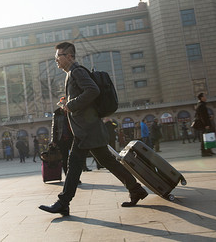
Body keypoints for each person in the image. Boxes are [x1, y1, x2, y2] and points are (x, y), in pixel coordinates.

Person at [39, 42, 148, 216]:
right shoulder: (71, 74)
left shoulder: (77, 71)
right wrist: (68, 104)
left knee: (74, 164)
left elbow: (92, 90)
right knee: (107, 161)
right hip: (87, 129)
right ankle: (136, 190)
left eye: (58, 56)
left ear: (69, 56)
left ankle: (63, 202)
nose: (56, 61)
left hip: (87, 129)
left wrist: (71, 104)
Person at [51, 105, 73, 175]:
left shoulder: (71, 111)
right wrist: (54, 140)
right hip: (62, 139)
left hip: (72, 138)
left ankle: (74, 177)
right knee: (65, 158)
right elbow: (54, 128)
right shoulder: (57, 114)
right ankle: (68, 176)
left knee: (74, 158)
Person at [194, 93, 216, 157]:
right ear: (201, 98)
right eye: (204, 96)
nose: (206, 97)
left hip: (205, 124)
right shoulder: (201, 105)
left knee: (208, 138)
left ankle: (209, 151)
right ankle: (204, 152)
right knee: (204, 139)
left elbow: (204, 115)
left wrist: (209, 117)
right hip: (204, 125)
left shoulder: (201, 105)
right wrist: (206, 125)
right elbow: (202, 117)